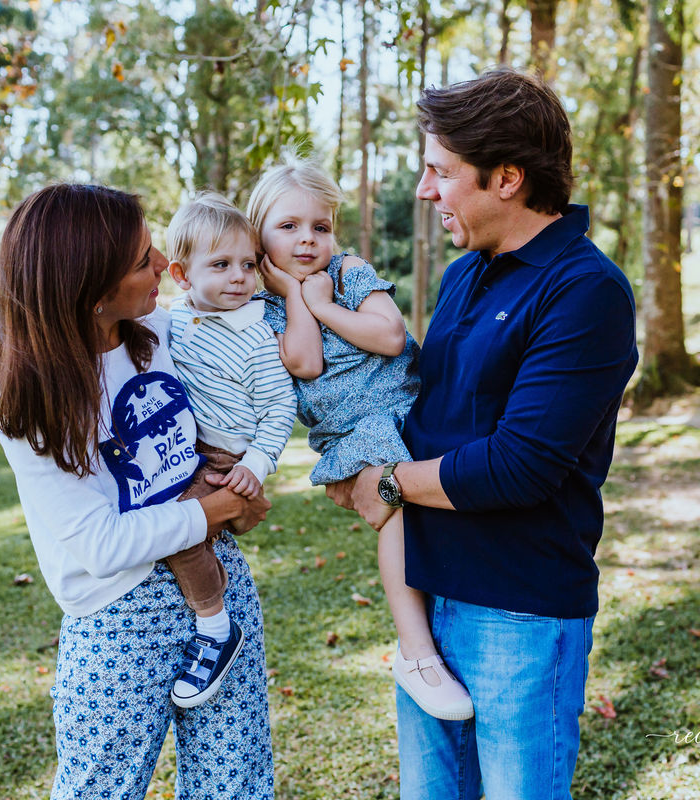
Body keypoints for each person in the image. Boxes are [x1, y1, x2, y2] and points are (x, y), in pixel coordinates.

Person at [327, 68, 639, 799]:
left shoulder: (586, 291)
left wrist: (383, 483)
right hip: (430, 600)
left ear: (507, 178)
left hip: (519, 613)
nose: (426, 190)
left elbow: (519, 466)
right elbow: (431, 416)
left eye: (441, 171)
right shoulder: (469, 274)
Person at [0, 184, 274, 800]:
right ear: (89, 291)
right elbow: (101, 546)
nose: (165, 262)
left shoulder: (167, 331)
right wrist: (214, 508)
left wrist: (240, 474)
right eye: (142, 260)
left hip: (218, 583)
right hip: (119, 618)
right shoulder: (28, 401)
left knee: (235, 786)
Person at [248, 155, 474, 721]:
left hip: (410, 406)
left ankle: (448, 623)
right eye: (288, 227)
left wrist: (322, 300)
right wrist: (298, 299)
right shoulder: (259, 306)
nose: (307, 240)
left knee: (443, 502)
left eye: (319, 227)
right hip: (355, 432)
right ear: (258, 238)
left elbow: (391, 335)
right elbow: (302, 362)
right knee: (396, 507)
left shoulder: (348, 273)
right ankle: (415, 653)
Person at [160, 191, 296, 708]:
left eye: (247, 265)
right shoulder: (173, 317)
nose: (239, 277)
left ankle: (215, 626)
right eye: (221, 265)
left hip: (221, 456)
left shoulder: (256, 334)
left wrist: (256, 467)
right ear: (181, 274)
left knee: (176, 527)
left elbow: (279, 409)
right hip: (180, 445)